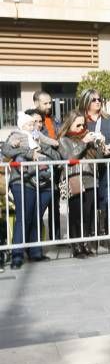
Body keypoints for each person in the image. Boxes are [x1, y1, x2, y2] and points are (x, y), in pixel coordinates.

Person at [2, 111, 60, 269]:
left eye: (39, 122)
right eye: (34, 121)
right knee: (23, 217)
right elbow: (6, 150)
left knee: (36, 217)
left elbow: (56, 155)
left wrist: (42, 149)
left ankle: (35, 252)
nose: (37, 125)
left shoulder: (40, 136)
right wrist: (29, 153)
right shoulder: (17, 134)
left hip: (41, 181)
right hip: (22, 181)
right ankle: (17, 256)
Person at [57, 110, 106, 259]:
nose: (81, 128)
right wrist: (83, 142)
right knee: (76, 215)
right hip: (74, 178)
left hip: (90, 178)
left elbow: (98, 158)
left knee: (88, 215)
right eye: (77, 125)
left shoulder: (86, 137)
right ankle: (77, 247)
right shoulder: (64, 139)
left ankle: (86, 245)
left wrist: (100, 145)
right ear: (69, 124)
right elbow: (70, 157)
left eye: (83, 125)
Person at [78, 89, 110, 237]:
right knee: (89, 199)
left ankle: (103, 230)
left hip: (106, 164)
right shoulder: (80, 119)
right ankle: (89, 232)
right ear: (86, 102)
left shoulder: (108, 119)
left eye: (99, 99)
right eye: (94, 100)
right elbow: (71, 139)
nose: (98, 102)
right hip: (87, 166)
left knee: (104, 195)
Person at [34, 90, 62, 239]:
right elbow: (39, 143)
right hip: (41, 168)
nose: (49, 105)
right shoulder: (31, 119)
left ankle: (55, 237)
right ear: (36, 103)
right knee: (38, 206)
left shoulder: (54, 120)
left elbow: (60, 138)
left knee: (54, 205)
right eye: (45, 103)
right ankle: (36, 240)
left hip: (55, 168)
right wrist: (55, 154)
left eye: (50, 102)